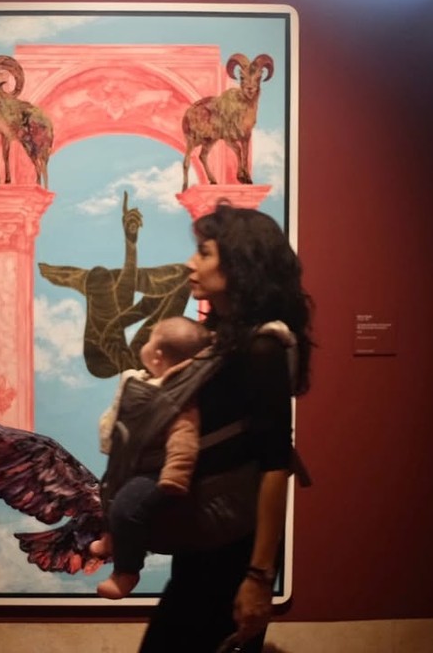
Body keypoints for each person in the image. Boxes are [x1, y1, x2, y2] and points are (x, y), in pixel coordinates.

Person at [137, 203, 314, 653]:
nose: (189, 263)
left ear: (239, 264)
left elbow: (275, 464)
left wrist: (258, 577)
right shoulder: (226, 341)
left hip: (234, 545)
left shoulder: (262, 348)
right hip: (207, 533)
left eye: (204, 253)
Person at [91, 315, 212, 599]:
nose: (142, 346)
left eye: (147, 340)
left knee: (126, 508)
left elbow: (184, 440)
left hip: (156, 471)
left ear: (157, 355)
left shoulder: (179, 398)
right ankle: (110, 539)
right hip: (130, 462)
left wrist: (175, 476)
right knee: (107, 492)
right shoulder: (143, 382)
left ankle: (126, 572)